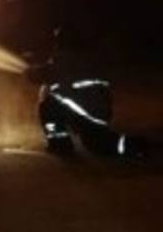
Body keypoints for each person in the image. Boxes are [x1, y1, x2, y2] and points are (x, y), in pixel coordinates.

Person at [35, 25, 148, 158]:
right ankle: (133, 145)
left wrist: (30, 72)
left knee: (48, 105)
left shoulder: (65, 58)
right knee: (97, 144)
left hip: (84, 112)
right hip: (98, 112)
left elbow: (44, 73)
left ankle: (60, 145)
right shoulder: (86, 58)